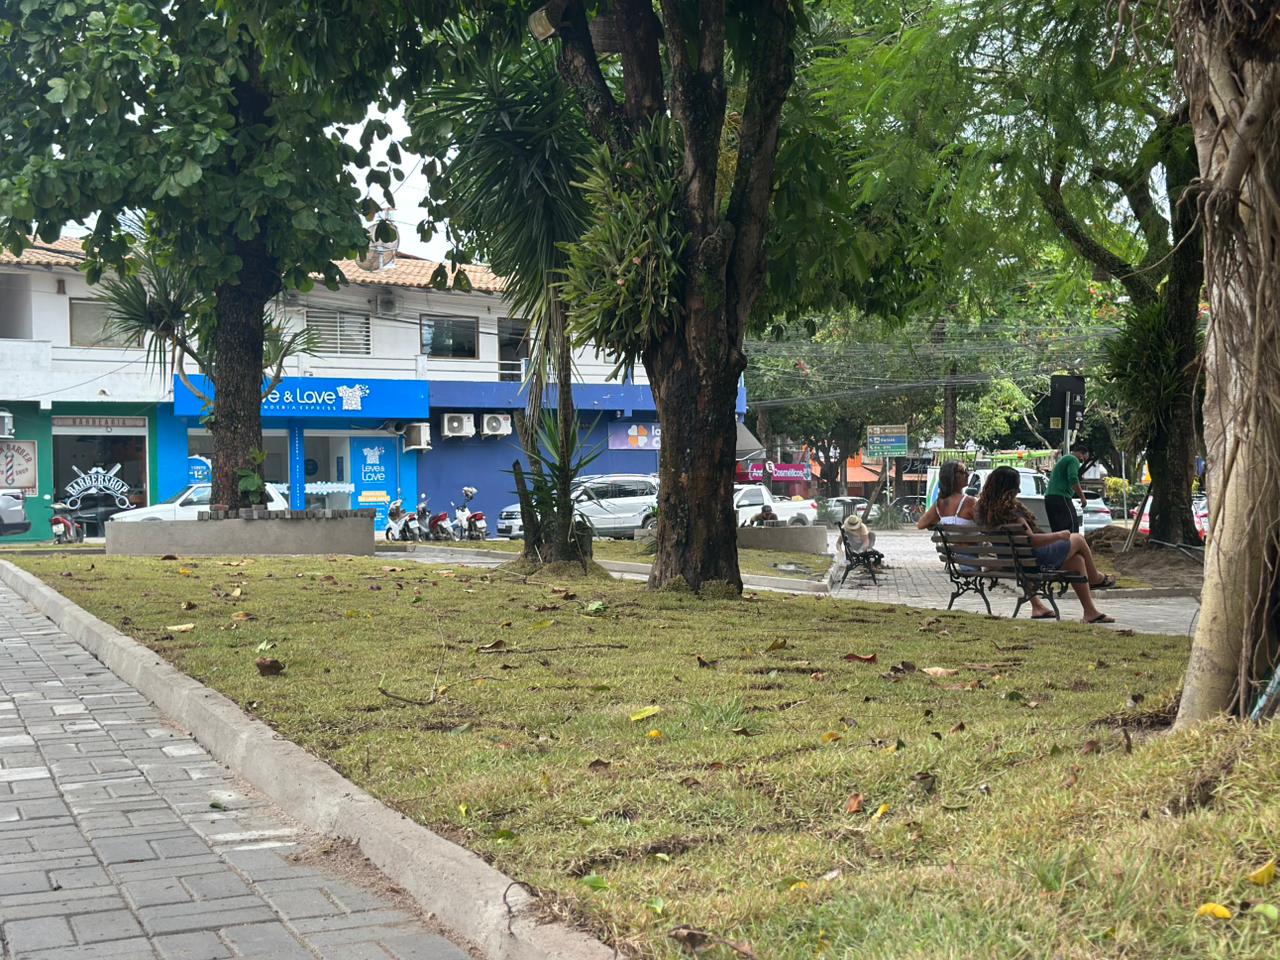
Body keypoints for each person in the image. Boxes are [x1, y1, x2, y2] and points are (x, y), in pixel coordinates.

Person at [976, 466, 1116, 624]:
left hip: (1015, 561)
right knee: (1077, 539)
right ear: (1010, 488)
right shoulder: (1012, 512)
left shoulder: (984, 511)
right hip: (1034, 560)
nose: (1019, 489)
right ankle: (1095, 577)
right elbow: (1031, 540)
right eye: (1017, 485)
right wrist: (1059, 535)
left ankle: (1090, 612)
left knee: (1076, 561)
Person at [917, 460, 977, 530]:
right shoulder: (970, 501)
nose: (967, 474)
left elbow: (920, 525)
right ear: (951, 476)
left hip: (950, 541)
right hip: (973, 541)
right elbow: (987, 524)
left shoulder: (939, 504)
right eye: (962, 472)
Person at [1045, 443, 1090, 533]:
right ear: (1080, 453)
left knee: (1058, 530)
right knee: (1072, 527)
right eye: (1082, 460)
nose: (1081, 463)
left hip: (1049, 498)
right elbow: (1073, 478)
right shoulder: (1073, 459)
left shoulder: (1064, 459)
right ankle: (1073, 547)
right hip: (1061, 497)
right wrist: (1082, 497)